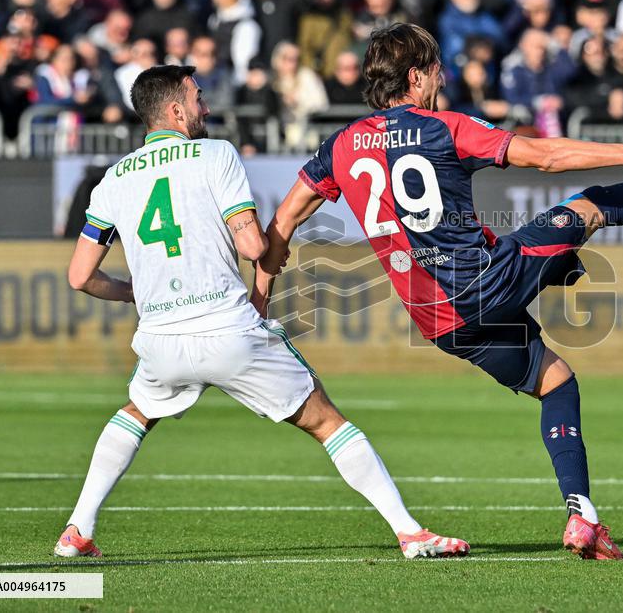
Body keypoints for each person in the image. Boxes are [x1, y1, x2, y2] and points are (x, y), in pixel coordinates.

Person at [250, 23, 623, 560]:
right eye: (437, 70)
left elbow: (281, 224)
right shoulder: (444, 127)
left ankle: (582, 517)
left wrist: (259, 300)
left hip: (439, 321)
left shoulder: (342, 145)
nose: (442, 79)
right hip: (483, 285)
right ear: (418, 77)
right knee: (589, 206)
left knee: (556, 382)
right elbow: (545, 156)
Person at [55, 63, 467, 560]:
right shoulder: (215, 155)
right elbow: (252, 246)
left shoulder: (113, 180)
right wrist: (271, 244)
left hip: (161, 337)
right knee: (325, 420)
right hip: (227, 328)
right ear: (176, 109)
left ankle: (78, 528)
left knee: (137, 413)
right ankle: (409, 532)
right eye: (198, 96)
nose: (205, 106)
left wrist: (132, 293)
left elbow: (79, 276)